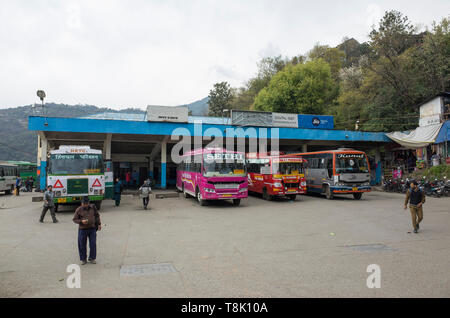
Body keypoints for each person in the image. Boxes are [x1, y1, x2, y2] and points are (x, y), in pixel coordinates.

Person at [73, 196, 101, 265]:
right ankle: (83, 259)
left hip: (92, 229)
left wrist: (99, 224)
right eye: (83, 203)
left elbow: (97, 216)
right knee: (82, 244)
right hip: (82, 230)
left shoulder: (93, 208)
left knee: (93, 244)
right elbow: (74, 219)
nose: (84, 205)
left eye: (85, 204)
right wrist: (81, 221)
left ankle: (92, 258)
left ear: (88, 203)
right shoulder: (79, 209)